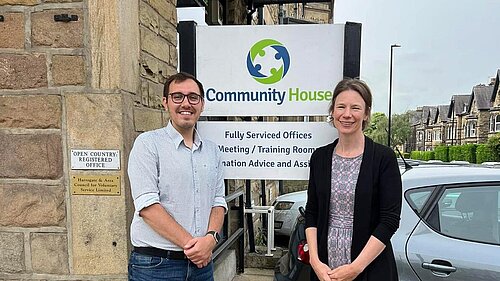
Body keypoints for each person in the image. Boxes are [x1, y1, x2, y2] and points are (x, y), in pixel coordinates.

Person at [127, 72, 227, 281]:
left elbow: (218, 202)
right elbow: (147, 206)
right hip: (156, 266)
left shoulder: (212, 151)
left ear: (202, 104)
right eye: (177, 96)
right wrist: (195, 247)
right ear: (165, 103)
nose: (186, 103)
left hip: (202, 265)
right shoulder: (147, 144)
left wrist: (211, 239)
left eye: (193, 97)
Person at [304, 78, 402, 281]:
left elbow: (389, 221)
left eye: (355, 108)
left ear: (366, 113)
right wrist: (315, 260)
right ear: (333, 111)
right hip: (325, 270)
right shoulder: (320, 158)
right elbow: (312, 212)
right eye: (341, 106)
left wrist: (355, 268)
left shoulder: (383, 158)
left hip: (369, 269)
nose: (347, 114)